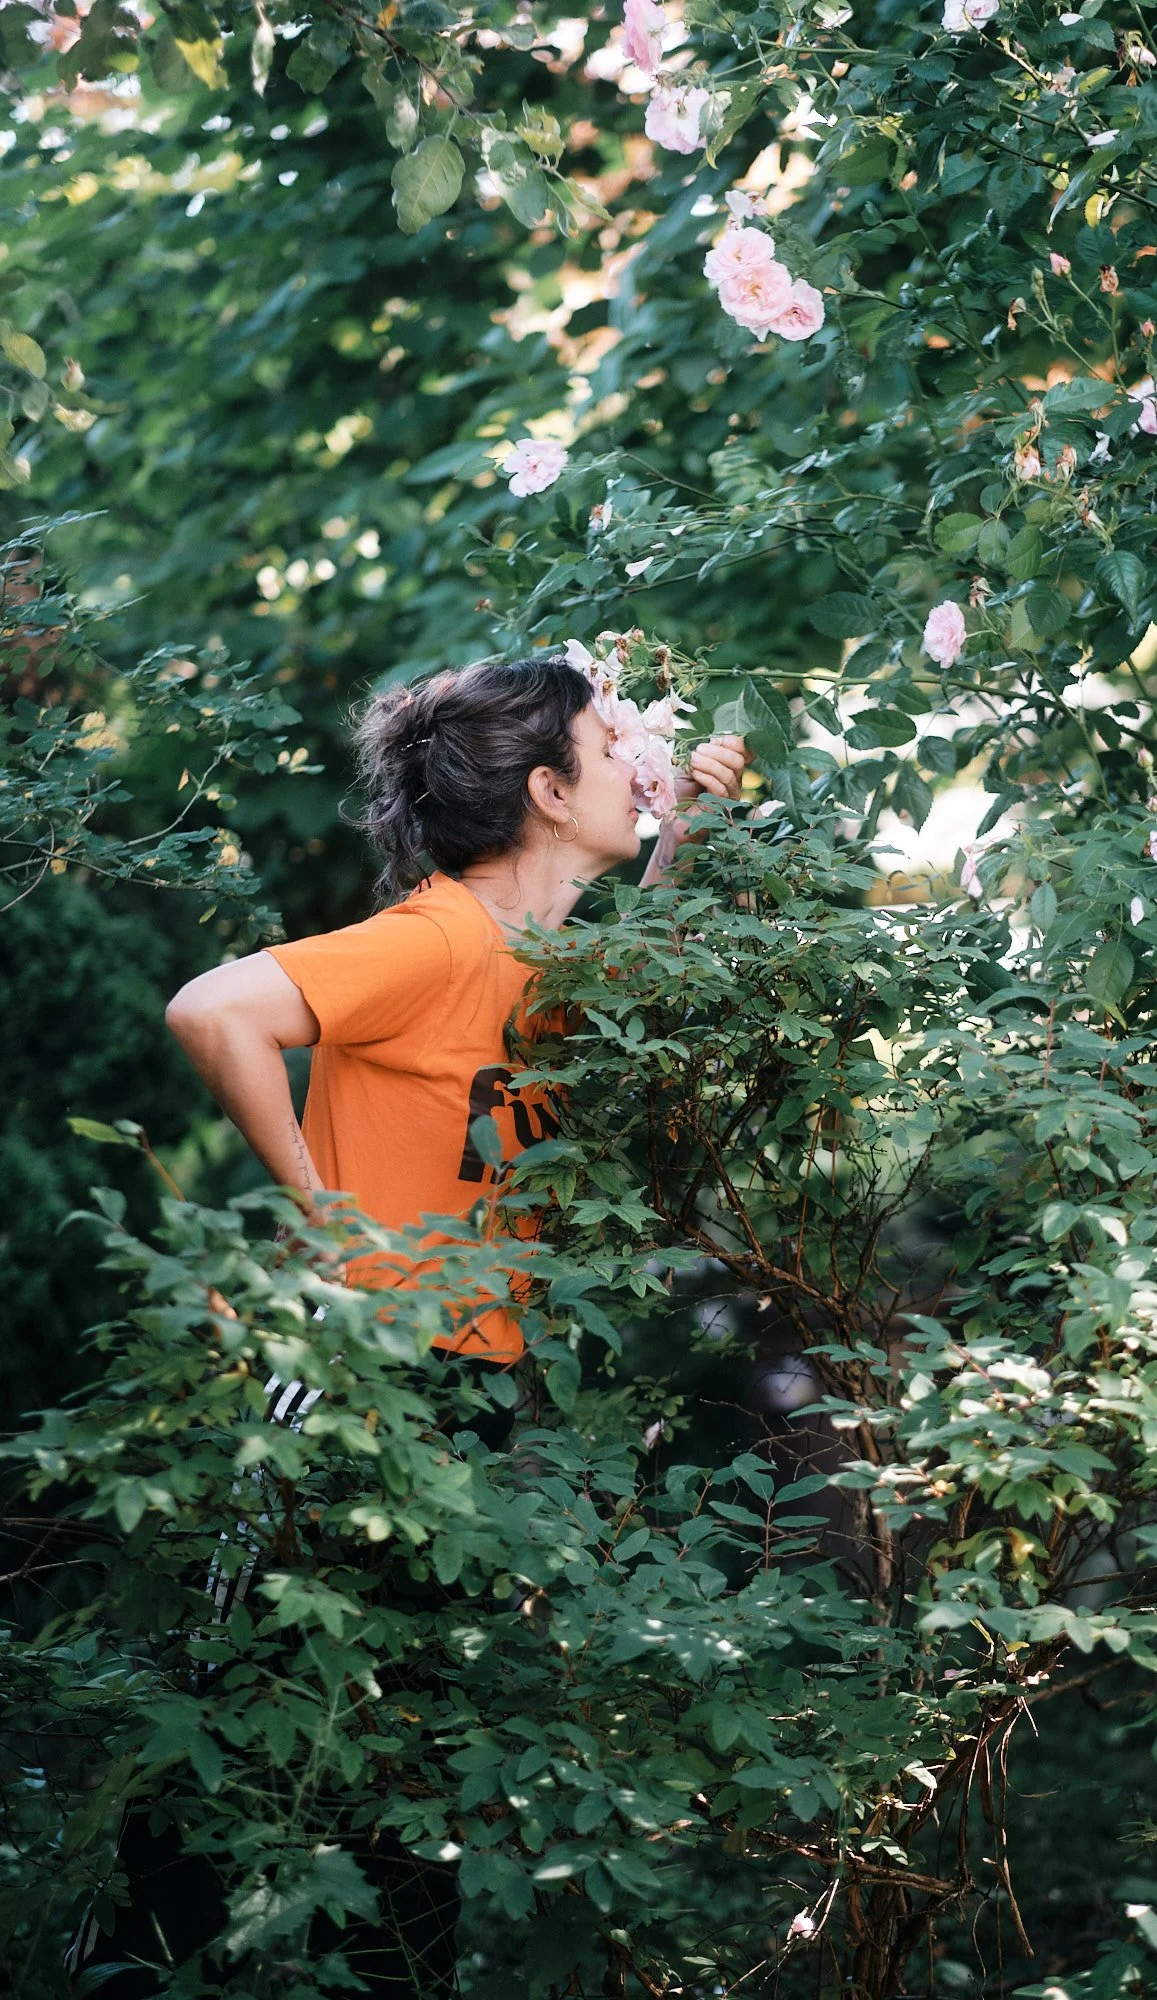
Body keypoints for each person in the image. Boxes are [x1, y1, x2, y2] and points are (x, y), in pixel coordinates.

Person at [76, 650, 746, 1996]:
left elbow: (611, 1015)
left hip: (470, 1399)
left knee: (417, 1787)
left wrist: (693, 846)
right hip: (360, 1387)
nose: (639, 759)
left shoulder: (529, 953)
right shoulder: (441, 936)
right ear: (548, 792)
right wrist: (330, 1226)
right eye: (615, 741)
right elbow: (215, 1010)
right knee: (228, 1775)